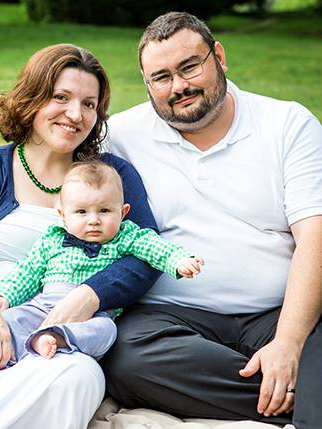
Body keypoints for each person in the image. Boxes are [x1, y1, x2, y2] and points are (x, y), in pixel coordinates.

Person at [0, 44, 162, 429]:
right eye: (61, 97)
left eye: (89, 104)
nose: (76, 115)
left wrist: (89, 296)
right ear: (33, 98)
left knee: (74, 381)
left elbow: (145, 252)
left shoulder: (111, 176)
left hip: (60, 326)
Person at [102, 11, 322, 429]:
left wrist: (288, 344)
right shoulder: (121, 138)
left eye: (189, 66)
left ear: (218, 56)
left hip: (280, 311)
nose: (178, 86)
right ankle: (295, 395)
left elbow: (316, 237)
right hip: (170, 316)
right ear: (147, 84)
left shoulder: (287, 124)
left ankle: (292, 377)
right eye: (161, 77)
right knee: (125, 356)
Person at [0, 160, 204, 361]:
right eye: (81, 212)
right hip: (43, 304)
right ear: (63, 215)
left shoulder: (126, 236)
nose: (93, 220)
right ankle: (18, 348)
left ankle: (57, 338)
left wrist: (178, 260)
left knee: (106, 331)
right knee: (11, 319)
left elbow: (155, 247)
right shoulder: (52, 239)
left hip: (94, 313)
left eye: (104, 211)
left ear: (123, 213)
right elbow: (29, 270)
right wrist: (5, 296)